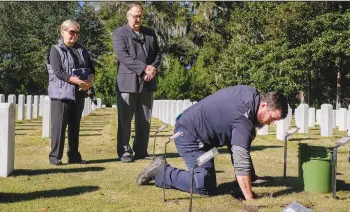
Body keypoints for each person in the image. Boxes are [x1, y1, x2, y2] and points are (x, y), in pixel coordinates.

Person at [136, 85, 288, 200]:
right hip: (190, 136)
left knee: (210, 176)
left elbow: (239, 144)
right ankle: (162, 171)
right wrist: (249, 197)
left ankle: (248, 180)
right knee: (204, 186)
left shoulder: (250, 94)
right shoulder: (243, 119)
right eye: (272, 117)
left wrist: (252, 178)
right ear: (264, 105)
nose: (272, 123)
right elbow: (240, 155)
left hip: (203, 136)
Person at [113, 3, 161, 163]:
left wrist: (153, 68)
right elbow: (123, 56)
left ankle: (141, 150)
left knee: (144, 119)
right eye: (135, 16)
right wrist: (143, 69)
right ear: (128, 16)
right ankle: (124, 151)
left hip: (148, 83)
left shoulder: (150, 33)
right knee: (125, 120)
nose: (138, 19)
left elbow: (157, 54)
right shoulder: (120, 33)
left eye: (140, 16)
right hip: (127, 82)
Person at [46, 20, 95, 165]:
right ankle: (55, 157)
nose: (74, 35)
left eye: (77, 32)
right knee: (59, 127)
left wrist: (89, 82)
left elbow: (91, 69)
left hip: (79, 93)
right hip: (61, 94)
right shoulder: (55, 50)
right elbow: (58, 72)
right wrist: (78, 81)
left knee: (75, 127)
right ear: (62, 32)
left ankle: (74, 156)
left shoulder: (82, 50)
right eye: (71, 32)